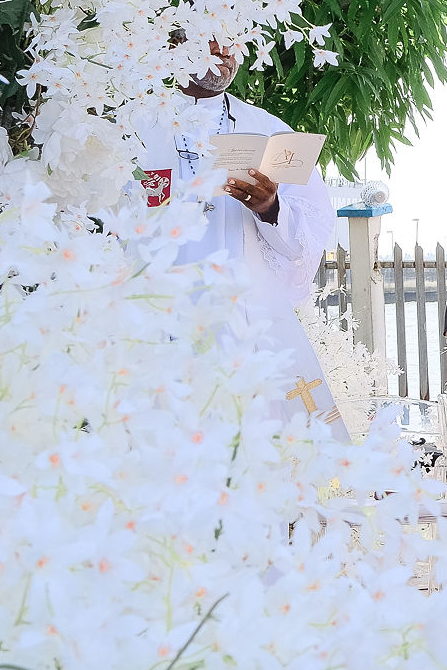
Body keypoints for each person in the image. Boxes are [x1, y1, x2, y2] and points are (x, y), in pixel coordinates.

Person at [133, 38, 339, 429]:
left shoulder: (268, 131)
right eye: (214, 41)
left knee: (248, 439)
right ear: (177, 44)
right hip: (157, 313)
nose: (226, 54)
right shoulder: (139, 124)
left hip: (243, 317)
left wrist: (270, 208)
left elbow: (307, 233)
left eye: (233, 44)